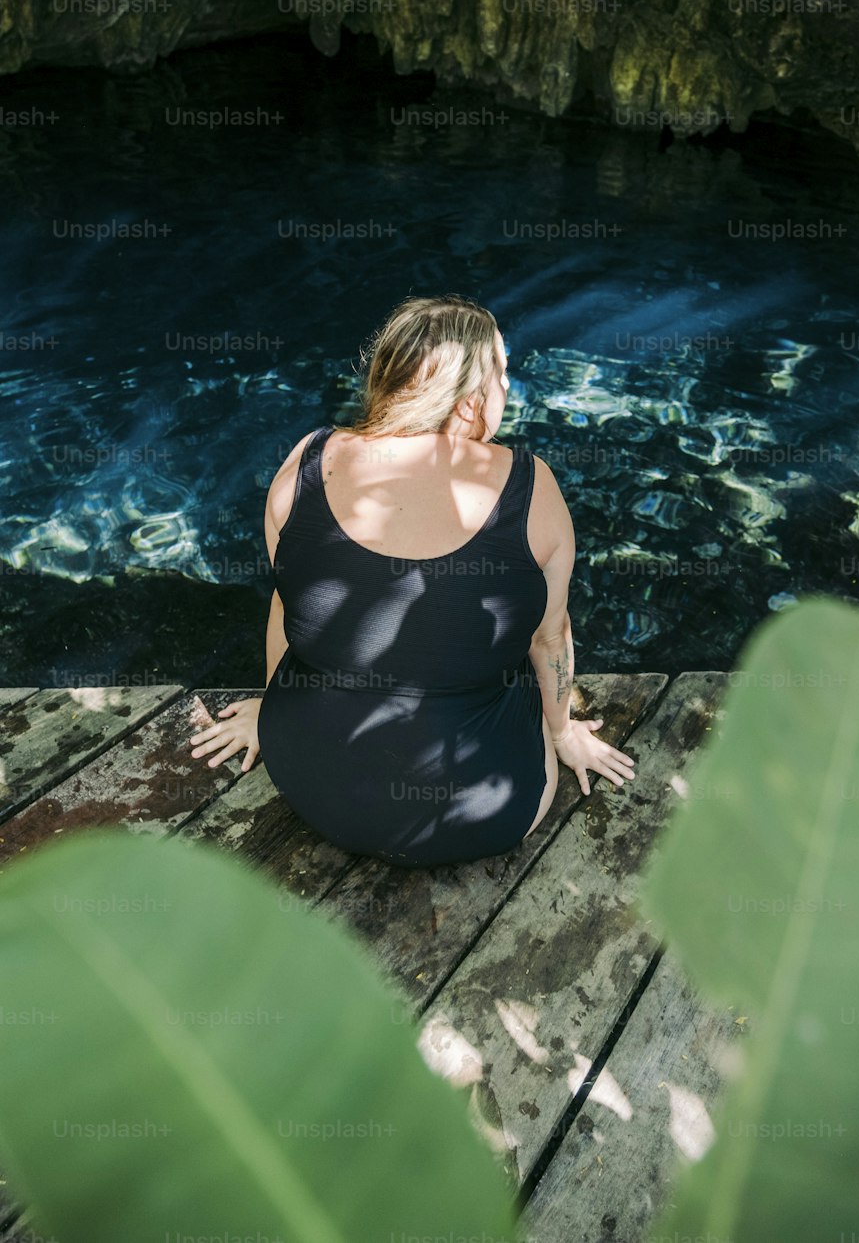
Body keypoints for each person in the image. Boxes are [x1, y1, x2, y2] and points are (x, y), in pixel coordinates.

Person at [189, 293, 636, 866]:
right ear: (474, 400)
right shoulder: (527, 485)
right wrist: (563, 731)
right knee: (517, 638)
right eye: (503, 373)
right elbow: (551, 639)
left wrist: (271, 707)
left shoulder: (307, 461)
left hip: (310, 784)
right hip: (482, 816)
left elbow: (288, 605)